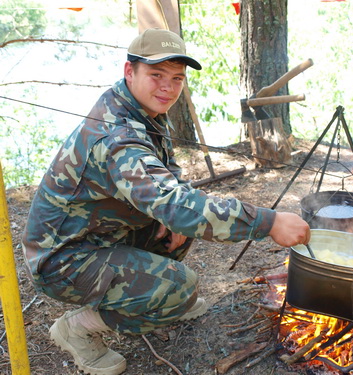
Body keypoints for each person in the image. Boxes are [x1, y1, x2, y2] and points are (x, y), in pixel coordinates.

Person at [21, 28, 310, 375]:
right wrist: (268, 222)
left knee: (177, 230)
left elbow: (166, 173)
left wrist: (167, 214)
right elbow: (172, 200)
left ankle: (163, 297)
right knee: (180, 280)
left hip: (97, 233)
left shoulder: (142, 107)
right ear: (130, 71)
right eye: (156, 75)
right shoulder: (118, 137)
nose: (168, 88)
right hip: (60, 259)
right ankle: (78, 328)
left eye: (176, 78)